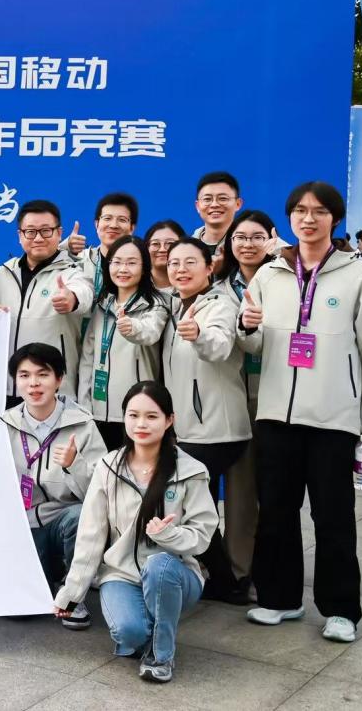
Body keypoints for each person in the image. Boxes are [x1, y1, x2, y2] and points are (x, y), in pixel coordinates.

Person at [238, 181, 362, 643]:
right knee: (276, 511)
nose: (308, 218)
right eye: (300, 210)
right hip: (276, 414)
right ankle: (281, 598)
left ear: (334, 219)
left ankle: (341, 609)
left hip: (333, 418)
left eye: (319, 211)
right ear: (289, 218)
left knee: (333, 515)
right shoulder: (269, 275)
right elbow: (254, 345)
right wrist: (247, 329)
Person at [53, 381, 218, 684]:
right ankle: (152, 629)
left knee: (159, 565)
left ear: (169, 420)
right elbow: (90, 536)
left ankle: (161, 655)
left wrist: (169, 536)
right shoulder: (108, 467)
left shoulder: (191, 470)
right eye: (133, 415)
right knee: (129, 633)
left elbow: (203, 535)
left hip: (176, 574)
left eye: (152, 416)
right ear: (125, 418)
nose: (141, 424)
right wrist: (72, 594)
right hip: (121, 574)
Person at [162, 237, 250, 604]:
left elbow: (219, 345)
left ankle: (226, 581)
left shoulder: (221, 304)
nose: (181, 269)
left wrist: (198, 335)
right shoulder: (171, 304)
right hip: (187, 426)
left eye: (190, 262)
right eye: (174, 263)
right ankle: (220, 579)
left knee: (191, 503)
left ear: (209, 267)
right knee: (199, 503)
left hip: (217, 427)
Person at [1, 343, 106, 630]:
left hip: (62, 521)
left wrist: (75, 465)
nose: (33, 383)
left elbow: (100, 493)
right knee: (22, 611)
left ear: (59, 379)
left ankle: (73, 596)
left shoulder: (83, 424)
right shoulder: (3, 424)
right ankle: (49, 580)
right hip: (23, 527)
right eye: (24, 375)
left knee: (81, 515)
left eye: (43, 374)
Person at [218, 210, 279, 586]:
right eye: (240, 237)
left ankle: (272, 571)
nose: (248, 244)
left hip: (278, 395)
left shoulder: (287, 281)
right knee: (240, 492)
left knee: (277, 491)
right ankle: (240, 572)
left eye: (257, 237)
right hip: (234, 396)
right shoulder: (219, 285)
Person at [0, 200, 93, 405]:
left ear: (59, 233)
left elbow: (84, 293)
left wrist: (71, 299)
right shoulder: (2, 274)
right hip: (5, 390)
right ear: (20, 235)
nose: (38, 238)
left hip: (52, 392)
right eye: (30, 232)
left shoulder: (72, 272)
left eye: (46, 231)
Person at [78, 235, 168, 450]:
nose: (123, 269)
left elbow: (150, 332)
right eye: (116, 262)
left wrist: (132, 327)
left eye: (131, 263)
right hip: (97, 411)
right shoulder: (102, 304)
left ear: (144, 268)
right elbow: (88, 357)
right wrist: (84, 405)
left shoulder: (155, 304)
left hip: (138, 414)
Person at [75, 193, 140, 309]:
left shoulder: (142, 266)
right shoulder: (78, 260)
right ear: (97, 224)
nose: (113, 225)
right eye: (107, 218)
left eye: (122, 220)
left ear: (132, 228)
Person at [191, 171, 242, 259]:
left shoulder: (247, 247)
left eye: (223, 198)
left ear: (238, 204)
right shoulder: (186, 248)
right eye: (207, 199)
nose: (214, 204)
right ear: (197, 206)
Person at [144, 220, 186, 294]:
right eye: (155, 243)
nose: (162, 249)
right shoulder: (134, 286)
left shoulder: (195, 286)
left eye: (170, 243)